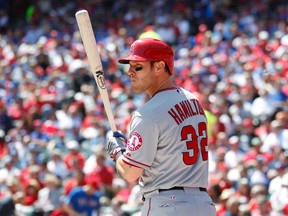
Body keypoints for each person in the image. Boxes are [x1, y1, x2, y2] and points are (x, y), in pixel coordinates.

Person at [106, 38, 216, 216]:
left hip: (167, 204)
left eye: (138, 67)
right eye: (130, 67)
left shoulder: (148, 113)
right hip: (203, 204)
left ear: (159, 67)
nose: (130, 72)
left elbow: (130, 172)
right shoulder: (193, 101)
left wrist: (118, 150)